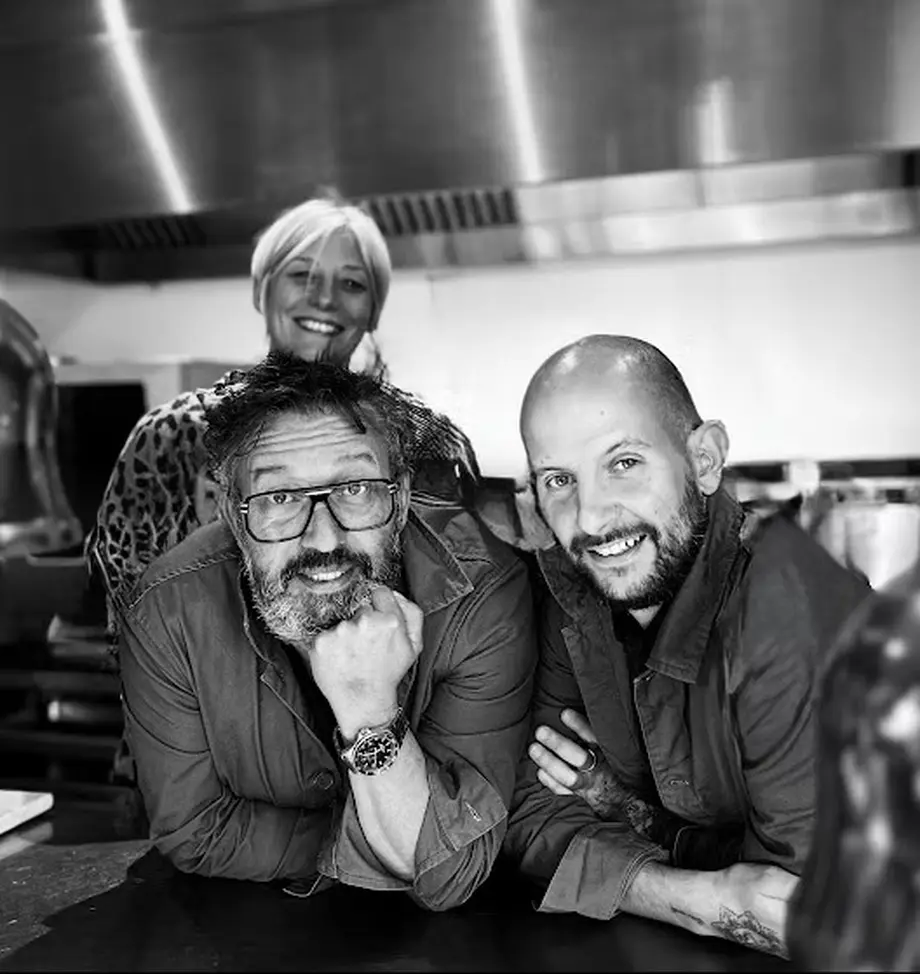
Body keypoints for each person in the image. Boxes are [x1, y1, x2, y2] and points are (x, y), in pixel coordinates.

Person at [114, 352, 536, 907]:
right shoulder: (166, 610)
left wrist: (367, 708)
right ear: (233, 514)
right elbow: (195, 832)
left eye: (355, 489)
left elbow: (453, 872)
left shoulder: (483, 590)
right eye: (280, 498)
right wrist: (397, 837)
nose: (323, 540)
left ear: (401, 498)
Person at [503, 334, 870, 956]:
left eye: (624, 463)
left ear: (704, 459)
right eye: (559, 479)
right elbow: (529, 816)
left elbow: (798, 907)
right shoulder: (575, 586)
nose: (589, 517)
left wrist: (627, 811)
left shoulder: (790, 608)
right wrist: (699, 898)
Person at [87, 196, 476, 613]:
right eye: (301, 275)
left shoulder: (428, 438)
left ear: (374, 310)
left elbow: (461, 586)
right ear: (261, 290)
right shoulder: (173, 435)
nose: (324, 298)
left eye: (352, 284)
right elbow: (130, 602)